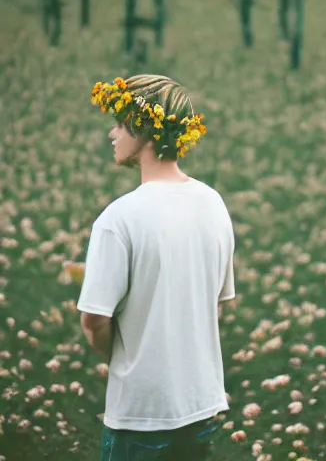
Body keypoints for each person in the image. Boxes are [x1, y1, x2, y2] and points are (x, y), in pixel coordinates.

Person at [77, 74, 236, 460]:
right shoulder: (213, 204)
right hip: (200, 406)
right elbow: (217, 304)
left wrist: (124, 359)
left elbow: (93, 321)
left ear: (144, 129)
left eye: (120, 123)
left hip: (139, 415)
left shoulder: (119, 219)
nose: (111, 134)